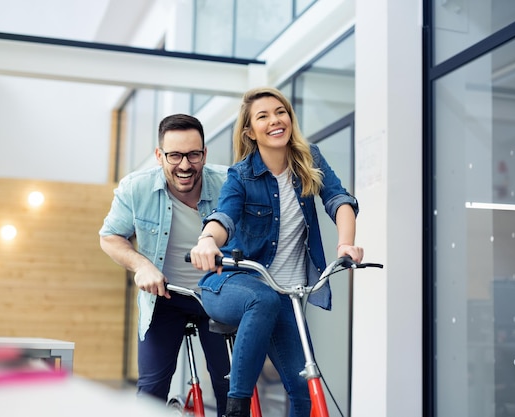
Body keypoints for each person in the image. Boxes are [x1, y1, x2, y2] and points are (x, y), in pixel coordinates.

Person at [189, 87, 364, 417]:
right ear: (250, 132)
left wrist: (345, 243)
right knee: (262, 298)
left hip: (284, 294)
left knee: (304, 392)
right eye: (263, 116)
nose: (275, 120)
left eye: (280, 111)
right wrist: (207, 241)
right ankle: (236, 408)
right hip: (230, 283)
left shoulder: (309, 158)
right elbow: (223, 216)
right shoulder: (241, 175)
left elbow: (338, 200)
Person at [99, 114, 230, 416]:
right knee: (152, 390)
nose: (185, 165)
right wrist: (141, 265)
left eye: (193, 154)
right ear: (160, 155)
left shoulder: (228, 183)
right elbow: (109, 237)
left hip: (218, 294)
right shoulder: (136, 187)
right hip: (164, 297)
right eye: (174, 155)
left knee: (232, 386)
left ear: (204, 154)